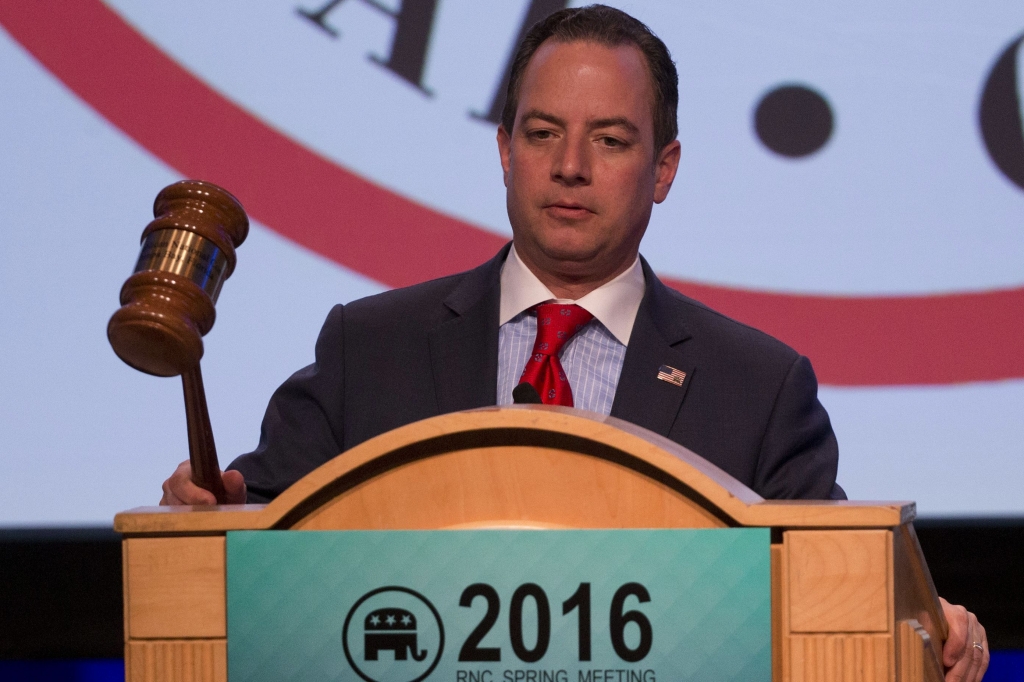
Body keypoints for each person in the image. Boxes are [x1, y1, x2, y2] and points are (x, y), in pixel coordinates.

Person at [159, 6, 988, 680]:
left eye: (611, 140)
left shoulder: (759, 388)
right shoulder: (367, 349)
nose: (569, 166)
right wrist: (205, 520)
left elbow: (836, 588)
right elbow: (246, 543)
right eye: (542, 132)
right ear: (504, 149)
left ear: (663, 169)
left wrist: (925, 627)